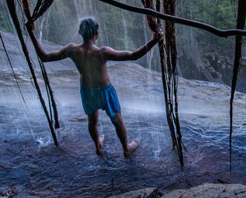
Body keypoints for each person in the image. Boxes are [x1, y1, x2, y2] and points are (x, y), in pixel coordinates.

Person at [26, 16, 161, 158]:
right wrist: (153, 41)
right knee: (117, 121)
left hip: (87, 92)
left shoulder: (72, 50)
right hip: (105, 92)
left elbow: (45, 57)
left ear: (80, 32)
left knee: (92, 121)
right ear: (96, 33)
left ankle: (98, 145)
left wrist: (31, 33)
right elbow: (132, 55)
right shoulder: (101, 52)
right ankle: (126, 148)